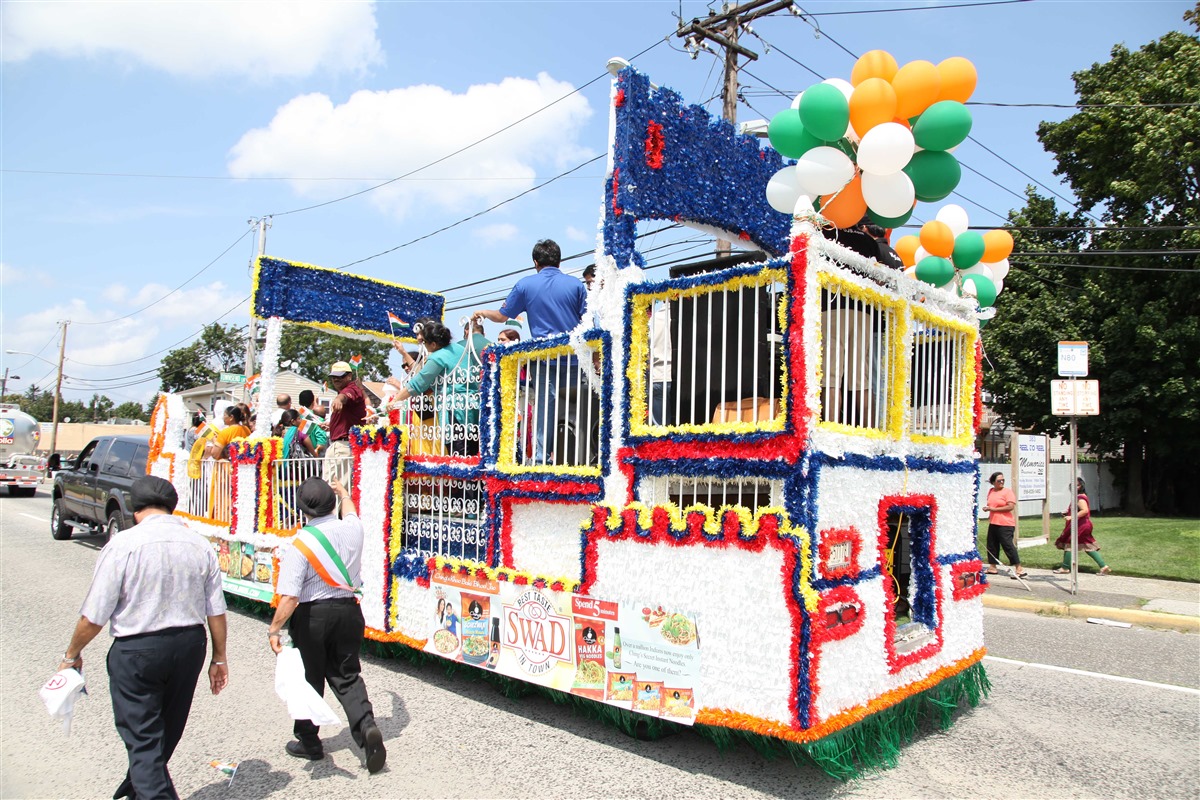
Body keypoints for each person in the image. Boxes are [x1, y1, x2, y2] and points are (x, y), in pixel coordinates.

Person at [57, 476, 228, 800]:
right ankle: (137, 790)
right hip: (189, 646)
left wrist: (72, 654)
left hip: (138, 650)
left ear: (135, 509)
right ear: (172, 507)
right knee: (165, 732)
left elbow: (94, 614)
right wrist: (219, 658)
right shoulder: (200, 544)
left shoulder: (123, 545)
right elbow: (216, 610)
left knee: (145, 739)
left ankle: (148, 790)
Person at [267, 477, 386, 773]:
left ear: (303, 509)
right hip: (348, 612)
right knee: (347, 675)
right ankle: (367, 727)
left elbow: (290, 596)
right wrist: (344, 492)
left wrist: (274, 629)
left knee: (309, 677)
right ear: (333, 503)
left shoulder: (302, 542)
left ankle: (309, 742)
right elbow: (351, 510)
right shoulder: (352, 529)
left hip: (312, 617)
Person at [470, 239, 587, 462]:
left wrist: (483, 312)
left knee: (545, 412)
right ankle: (578, 459)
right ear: (559, 260)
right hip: (575, 360)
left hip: (545, 361)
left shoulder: (525, 285)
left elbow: (502, 316)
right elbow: (589, 321)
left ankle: (543, 461)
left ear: (535, 262)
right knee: (579, 409)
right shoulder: (576, 285)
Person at [385, 322, 483, 456]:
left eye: (424, 342)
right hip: (472, 405)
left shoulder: (437, 357)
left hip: (454, 408)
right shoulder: (459, 348)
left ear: (433, 344)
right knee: (473, 452)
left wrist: (395, 400)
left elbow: (418, 383)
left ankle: (462, 478)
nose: (423, 345)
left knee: (459, 456)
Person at [324, 361, 366, 498]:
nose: (336, 379)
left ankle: (340, 518)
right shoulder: (345, 390)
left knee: (339, 489)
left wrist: (338, 399)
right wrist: (330, 426)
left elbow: (345, 396)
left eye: (340, 376)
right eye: (333, 376)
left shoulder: (351, 389)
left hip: (344, 446)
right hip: (338, 445)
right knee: (330, 487)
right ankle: (331, 517)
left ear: (349, 376)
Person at [1053, 477, 1111, 574]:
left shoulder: (1080, 498)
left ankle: (1065, 568)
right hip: (1083, 525)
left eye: (1077, 485)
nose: (1074, 487)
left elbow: (1085, 511)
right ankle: (1103, 566)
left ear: (1081, 486)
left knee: (1070, 544)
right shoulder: (1080, 496)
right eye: (1073, 485)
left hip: (1081, 525)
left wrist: (1071, 517)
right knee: (1087, 546)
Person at [982, 472, 1025, 578]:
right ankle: (993, 567)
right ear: (993, 482)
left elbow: (1010, 507)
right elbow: (991, 504)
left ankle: (1019, 568)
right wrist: (988, 508)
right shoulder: (991, 491)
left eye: (1003, 480)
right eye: (999, 481)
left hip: (1006, 523)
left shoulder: (1007, 492)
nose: (1001, 482)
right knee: (991, 545)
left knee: (1008, 545)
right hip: (993, 522)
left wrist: (994, 509)